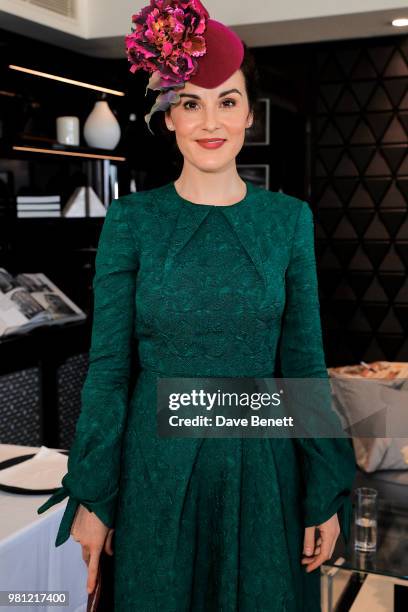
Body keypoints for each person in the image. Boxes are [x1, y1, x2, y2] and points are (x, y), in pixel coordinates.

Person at [37, 1, 356, 610]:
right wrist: (95, 494)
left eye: (227, 101)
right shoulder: (132, 222)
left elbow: (305, 368)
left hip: (266, 469)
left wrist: (323, 490)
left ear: (248, 114)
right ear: (170, 118)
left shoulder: (287, 222)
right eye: (191, 102)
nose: (210, 120)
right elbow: (107, 373)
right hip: (158, 468)